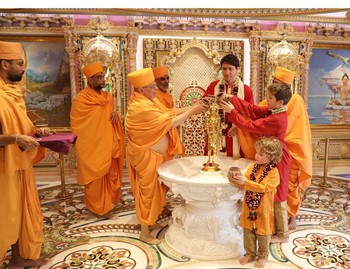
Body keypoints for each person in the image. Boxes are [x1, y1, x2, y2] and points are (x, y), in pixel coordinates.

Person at [126, 67, 206, 245]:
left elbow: (168, 113)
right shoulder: (140, 107)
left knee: (154, 192)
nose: (155, 89)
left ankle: (150, 221)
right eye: (151, 86)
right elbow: (170, 123)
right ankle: (144, 233)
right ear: (141, 90)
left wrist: (193, 107)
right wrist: (192, 112)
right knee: (147, 194)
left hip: (155, 156)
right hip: (146, 156)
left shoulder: (148, 100)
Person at [220, 82, 292, 244]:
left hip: (278, 158)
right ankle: (272, 228)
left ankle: (282, 234)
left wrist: (232, 111)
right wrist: (234, 99)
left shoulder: (277, 118)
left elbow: (251, 125)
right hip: (271, 155)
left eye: (270, 98)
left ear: (280, 102)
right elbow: (253, 110)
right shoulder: (273, 111)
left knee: (278, 195)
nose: (266, 100)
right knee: (270, 195)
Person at [0, 41, 48, 269]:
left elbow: (20, 126)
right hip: (3, 168)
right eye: (19, 64)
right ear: (4, 64)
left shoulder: (11, 93)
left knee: (23, 214)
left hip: (20, 164)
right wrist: (15, 139)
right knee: (5, 218)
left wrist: (34, 132)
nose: (23, 69)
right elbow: (11, 135)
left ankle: (20, 258)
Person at [70, 62, 125, 218]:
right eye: (99, 78)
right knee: (94, 178)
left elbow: (109, 116)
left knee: (108, 175)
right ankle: (96, 208)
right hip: (91, 146)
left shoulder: (108, 98)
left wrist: (115, 114)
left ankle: (107, 204)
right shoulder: (80, 100)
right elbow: (77, 124)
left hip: (108, 144)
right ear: (90, 80)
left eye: (103, 77)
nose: (103, 80)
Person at [228, 137, 283, 268]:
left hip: (263, 210)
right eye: (257, 152)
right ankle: (249, 254)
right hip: (249, 207)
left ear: (272, 157)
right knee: (248, 231)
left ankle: (263, 256)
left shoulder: (274, 172)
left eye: (261, 154)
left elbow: (264, 187)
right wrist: (234, 179)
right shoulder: (252, 167)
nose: (256, 156)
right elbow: (244, 183)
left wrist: (245, 183)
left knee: (263, 233)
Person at [203, 54, 254, 158]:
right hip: (217, 131)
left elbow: (251, 114)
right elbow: (204, 105)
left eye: (230, 69)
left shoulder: (246, 90)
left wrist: (239, 126)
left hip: (237, 134)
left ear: (238, 70)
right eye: (224, 69)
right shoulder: (213, 86)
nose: (227, 73)